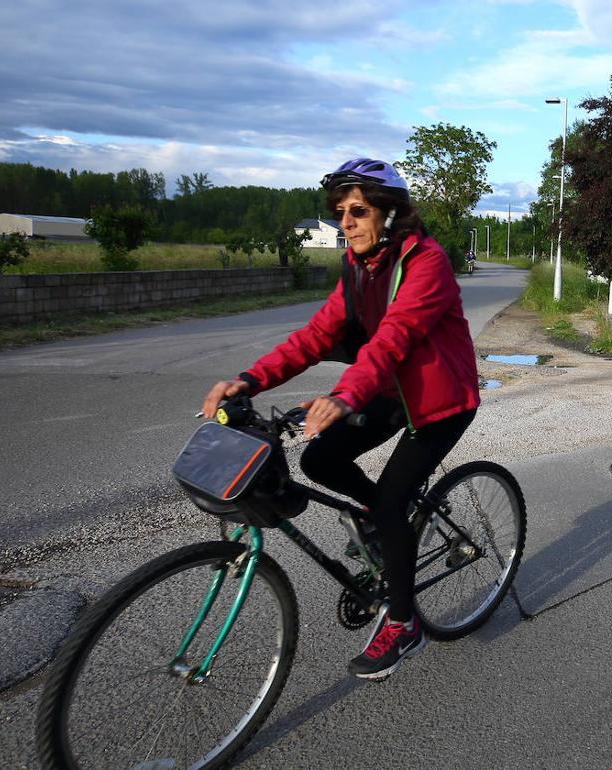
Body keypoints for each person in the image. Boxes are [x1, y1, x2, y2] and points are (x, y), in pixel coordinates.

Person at [200, 158, 480, 681]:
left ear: (390, 215)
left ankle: (404, 623)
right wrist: (250, 380)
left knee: (395, 497)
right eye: (340, 212)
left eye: (358, 211)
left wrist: (345, 395)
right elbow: (315, 336)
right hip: (388, 390)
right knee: (320, 457)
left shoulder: (427, 264)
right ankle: (384, 522)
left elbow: (393, 339)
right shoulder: (357, 269)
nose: (345, 222)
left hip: (440, 401)